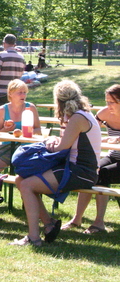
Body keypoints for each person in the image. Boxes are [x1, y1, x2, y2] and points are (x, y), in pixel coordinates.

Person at [11, 80, 101, 246]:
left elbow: (61, 147)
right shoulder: (77, 115)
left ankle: (33, 237)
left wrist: (48, 141)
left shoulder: (77, 117)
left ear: (58, 100)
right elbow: (65, 142)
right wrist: (54, 139)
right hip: (74, 168)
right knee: (20, 180)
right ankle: (49, 223)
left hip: (82, 172)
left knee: (27, 185)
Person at [61, 84, 120, 234]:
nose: (108, 105)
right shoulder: (103, 114)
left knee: (103, 174)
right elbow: (90, 130)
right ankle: (77, 219)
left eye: (111, 102)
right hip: (113, 155)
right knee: (89, 171)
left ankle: (99, 222)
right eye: (106, 101)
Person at [0, 79, 42, 208]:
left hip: (26, 148)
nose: (23, 95)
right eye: (19, 92)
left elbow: (38, 129)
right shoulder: (2, 110)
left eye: (24, 92)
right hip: (6, 147)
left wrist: (24, 132)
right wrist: (6, 129)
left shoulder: (30, 107)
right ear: (10, 94)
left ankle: (27, 201)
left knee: (28, 173)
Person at [0, 34, 25, 109]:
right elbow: (21, 74)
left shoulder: (1, 55)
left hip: (1, 92)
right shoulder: (21, 57)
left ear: (4, 43)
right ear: (14, 44)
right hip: (16, 92)